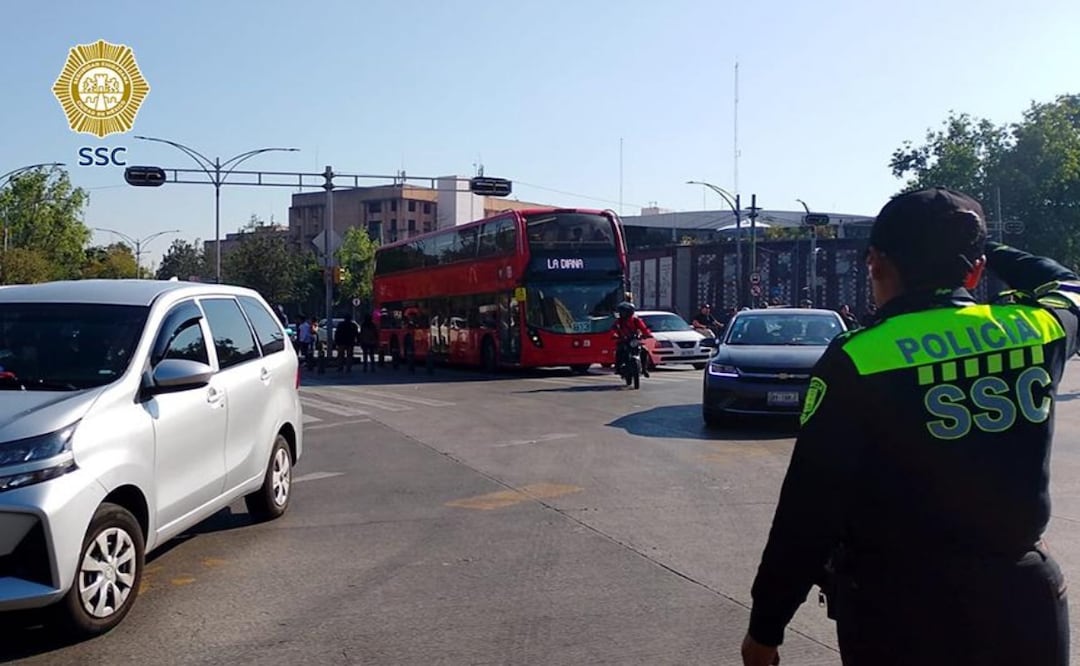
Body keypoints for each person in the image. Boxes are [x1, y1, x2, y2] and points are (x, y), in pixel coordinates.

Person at [741, 187, 1075, 666]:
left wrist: (766, 628)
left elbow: (808, 510)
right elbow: (1066, 283)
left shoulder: (858, 358)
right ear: (976, 269)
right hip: (1024, 599)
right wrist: (979, 248)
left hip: (898, 610)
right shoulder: (1038, 328)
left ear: (876, 262)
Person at [611, 301, 652, 378]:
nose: (622, 314)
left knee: (644, 351)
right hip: (623, 340)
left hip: (634, 340)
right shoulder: (619, 321)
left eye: (624, 312)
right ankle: (618, 368)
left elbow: (644, 328)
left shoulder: (636, 320)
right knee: (619, 351)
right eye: (621, 312)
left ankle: (644, 369)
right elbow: (613, 330)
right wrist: (615, 335)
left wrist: (647, 335)